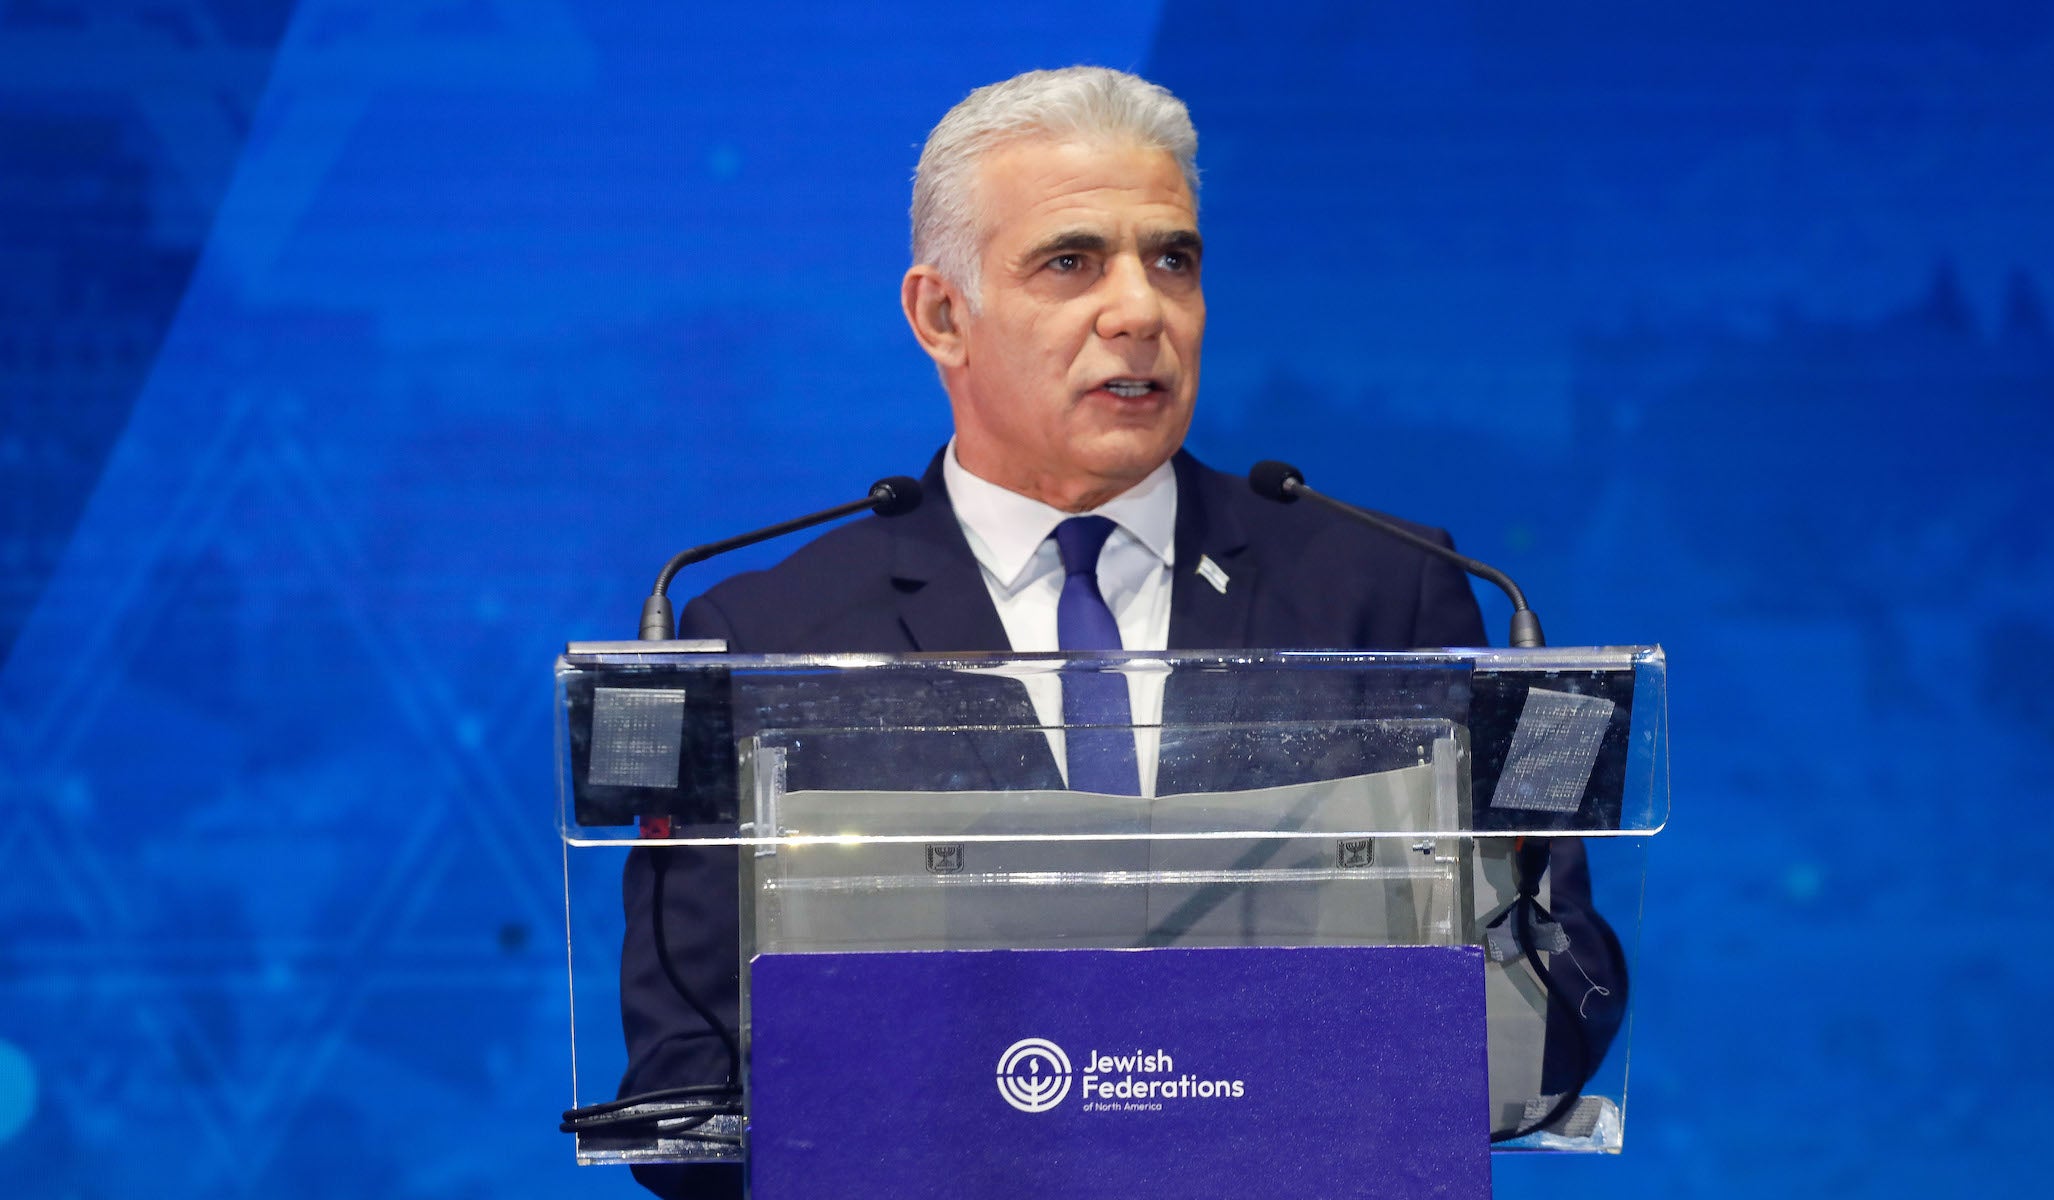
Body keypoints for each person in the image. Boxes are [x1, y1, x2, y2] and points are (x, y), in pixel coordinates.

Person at [617, 66, 1624, 1199]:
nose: (1140, 309)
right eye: (1071, 261)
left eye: (1173, 260)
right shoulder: (768, 635)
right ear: (942, 315)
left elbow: (1557, 980)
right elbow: (688, 1071)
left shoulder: (1385, 594)